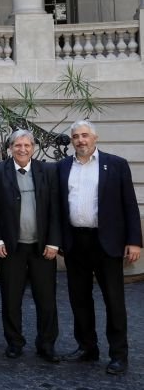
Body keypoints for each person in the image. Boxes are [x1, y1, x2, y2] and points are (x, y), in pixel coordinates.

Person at [57, 120, 142, 375]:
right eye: (76, 137)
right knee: (79, 299)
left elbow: (129, 204)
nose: (80, 140)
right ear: (71, 141)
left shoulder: (116, 165)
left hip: (107, 242)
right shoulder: (62, 167)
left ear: (95, 138)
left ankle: (118, 354)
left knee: (113, 300)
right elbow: (59, 206)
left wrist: (134, 241)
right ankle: (87, 347)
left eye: (85, 135)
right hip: (75, 242)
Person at [0, 129, 61, 363]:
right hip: (10, 248)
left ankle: (46, 344)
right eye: (18, 145)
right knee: (11, 298)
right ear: (10, 148)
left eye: (27, 145)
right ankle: (14, 342)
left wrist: (54, 241)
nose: (22, 149)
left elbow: (56, 209)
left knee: (46, 299)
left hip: (42, 248)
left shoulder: (47, 170)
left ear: (34, 148)